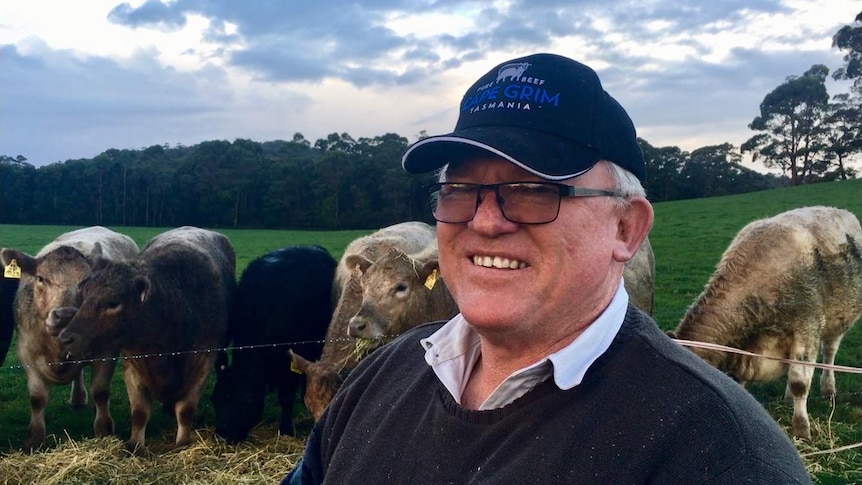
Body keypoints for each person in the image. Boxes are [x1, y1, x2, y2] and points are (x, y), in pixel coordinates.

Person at [283, 53, 812, 483]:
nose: (486, 222)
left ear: (625, 229)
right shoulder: (380, 377)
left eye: (534, 190)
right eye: (460, 190)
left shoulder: (721, 456)